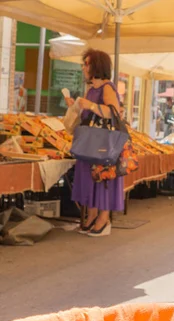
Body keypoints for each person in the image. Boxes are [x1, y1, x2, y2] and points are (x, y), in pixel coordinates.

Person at [67, 49, 122, 237]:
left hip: (101, 143)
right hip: (89, 142)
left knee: (102, 178)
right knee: (88, 177)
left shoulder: (107, 87)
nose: (84, 67)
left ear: (97, 66)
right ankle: (91, 215)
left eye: (87, 64)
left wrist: (89, 105)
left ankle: (104, 218)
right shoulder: (91, 88)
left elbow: (113, 112)